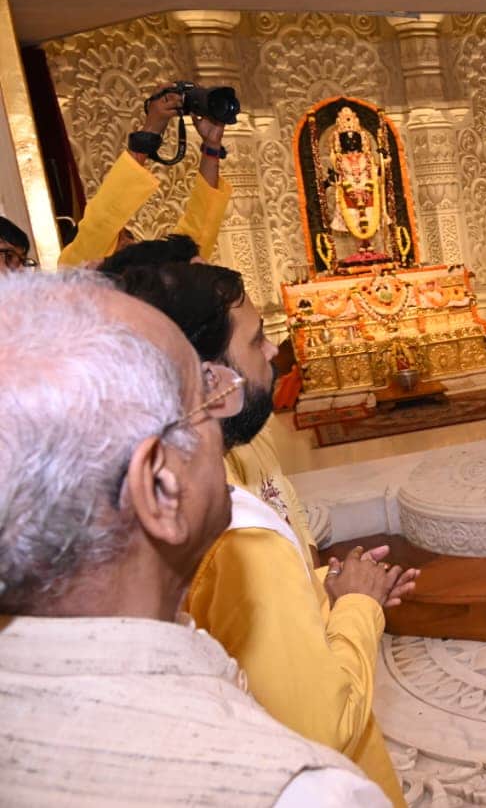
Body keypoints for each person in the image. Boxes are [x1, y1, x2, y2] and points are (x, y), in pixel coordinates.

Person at [0, 269, 388, 806]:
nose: (225, 415)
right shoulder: (299, 791)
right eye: (206, 399)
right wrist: (359, 610)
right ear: (160, 487)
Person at [107, 259, 415, 807]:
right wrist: (359, 606)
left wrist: (322, 586)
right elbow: (322, 729)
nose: (274, 351)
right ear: (213, 382)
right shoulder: (245, 541)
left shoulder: (152, 494)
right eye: (256, 340)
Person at [58, 83, 231, 268]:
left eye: (128, 236)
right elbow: (103, 219)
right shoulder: (75, 270)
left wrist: (212, 146)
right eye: (114, 240)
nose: (129, 243)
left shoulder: (152, 279)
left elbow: (196, 237)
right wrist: (151, 128)